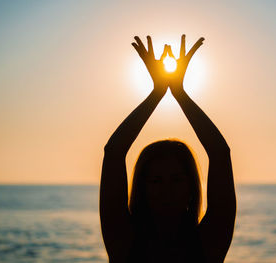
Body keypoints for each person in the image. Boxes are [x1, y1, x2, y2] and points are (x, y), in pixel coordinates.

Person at [100, 35, 236, 263]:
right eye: (155, 181)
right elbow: (113, 153)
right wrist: (157, 93)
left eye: (176, 180)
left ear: (191, 186)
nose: (167, 191)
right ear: (142, 188)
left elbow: (220, 154)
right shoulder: (123, 241)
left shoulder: (208, 242)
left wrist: (180, 94)